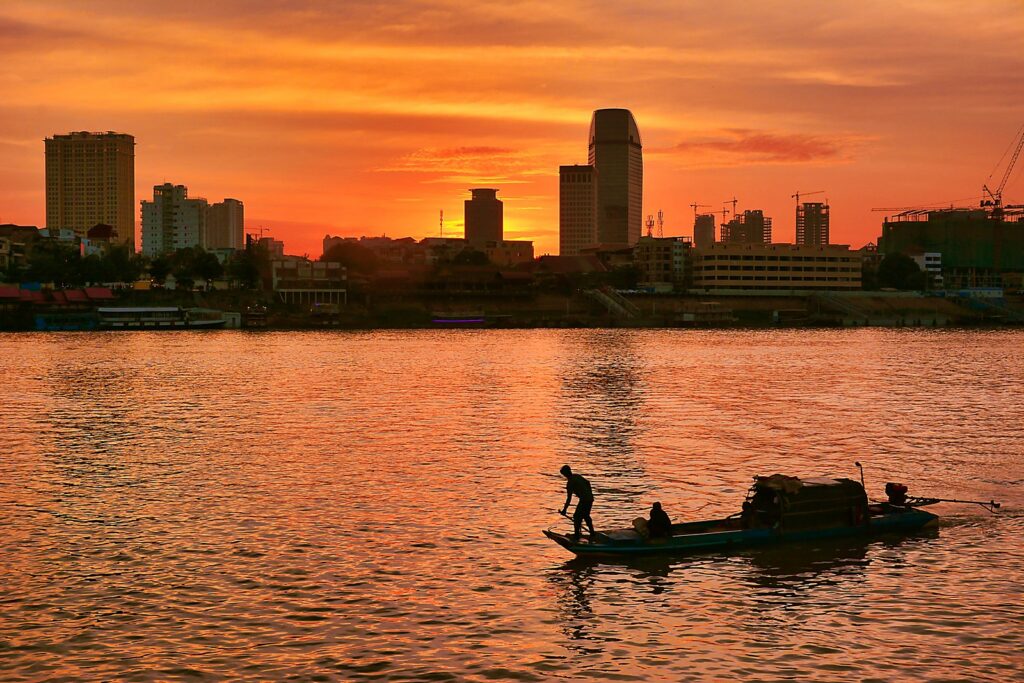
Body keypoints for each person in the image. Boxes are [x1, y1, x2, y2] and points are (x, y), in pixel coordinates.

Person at [559, 465, 595, 539]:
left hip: (584, 500)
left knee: (577, 517)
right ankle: (592, 533)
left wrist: (565, 510)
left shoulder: (570, 483)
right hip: (590, 498)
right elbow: (588, 483)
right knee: (585, 515)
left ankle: (577, 535)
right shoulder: (577, 476)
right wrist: (589, 493)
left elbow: (569, 498)